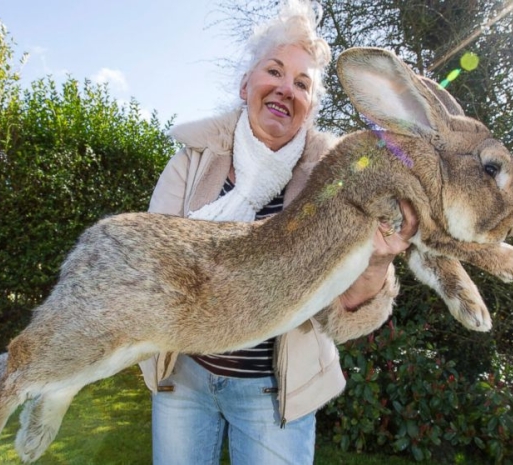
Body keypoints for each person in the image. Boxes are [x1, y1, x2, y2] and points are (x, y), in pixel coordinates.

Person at [138, 1, 418, 463]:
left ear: (310, 107)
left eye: (303, 84)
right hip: (184, 377)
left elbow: (342, 313)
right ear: (246, 84)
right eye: (275, 71)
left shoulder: (336, 182)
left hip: (274, 391)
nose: (286, 89)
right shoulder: (193, 159)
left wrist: (378, 260)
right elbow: (151, 262)